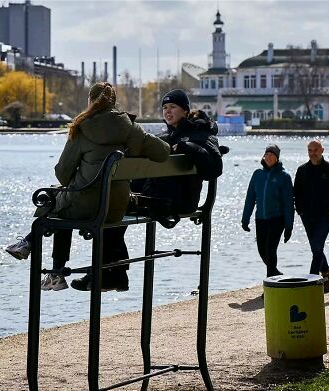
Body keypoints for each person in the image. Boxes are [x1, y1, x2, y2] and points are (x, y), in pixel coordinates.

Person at [5, 82, 170, 291]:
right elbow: (163, 152)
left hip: (89, 206)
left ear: (90, 102)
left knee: (55, 201)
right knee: (61, 200)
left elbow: (63, 175)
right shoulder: (130, 127)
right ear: (114, 103)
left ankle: (44, 259)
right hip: (117, 207)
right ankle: (44, 262)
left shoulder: (82, 127)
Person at [69, 89, 224, 292]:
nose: (168, 112)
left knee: (112, 211)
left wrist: (185, 146)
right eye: (165, 108)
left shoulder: (201, 132)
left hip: (178, 201)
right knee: (114, 207)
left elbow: (214, 168)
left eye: (173, 107)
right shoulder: (165, 137)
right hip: (157, 198)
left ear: (185, 110)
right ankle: (110, 273)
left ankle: (110, 273)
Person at [293, 139, 329, 293]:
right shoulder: (302, 170)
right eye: (310, 150)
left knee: (317, 246)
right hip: (306, 215)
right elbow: (295, 193)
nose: (313, 153)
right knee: (316, 248)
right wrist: (298, 210)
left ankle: (312, 280)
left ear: (322, 150)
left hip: (325, 215)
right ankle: (326, 276)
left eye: (315, 150)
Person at [241, 144, 294, 278]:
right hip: (261, 219)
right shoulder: (257, 174)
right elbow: (250, 198)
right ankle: (275, 273)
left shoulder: (284, 177)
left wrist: (289, 226)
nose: (269, 157)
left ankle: (271, 283)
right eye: (267, 155)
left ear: (277, 158)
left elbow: (289, 204)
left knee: (270, 250)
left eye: (272, 155)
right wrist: (245, 219)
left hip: (277, 219)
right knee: (262, 250)